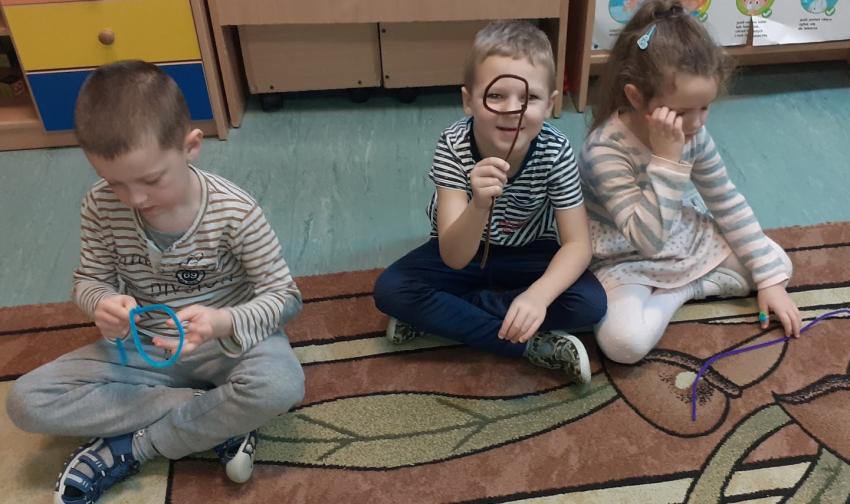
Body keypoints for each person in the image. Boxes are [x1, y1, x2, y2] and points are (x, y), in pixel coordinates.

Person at [6, 60, 305, 503]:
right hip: (144, 347)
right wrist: (100, 303)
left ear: (190, 146)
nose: (136, 199)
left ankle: (135, 447)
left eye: (151, 180)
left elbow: (285, 297)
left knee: (281, 385)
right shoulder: (99, 206)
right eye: (114, 182)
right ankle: (216, 416)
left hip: (229, 345)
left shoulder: (235, 211)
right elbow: (89, 279)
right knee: (26, 402)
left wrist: (222, 322)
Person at [373, 21, 607, 384]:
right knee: (391, 289)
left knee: (590, 302)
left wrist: (537, 297)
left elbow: (577, 245)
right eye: (495, 96)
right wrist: (478, 204)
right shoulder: (453, 145)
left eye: (529, 98)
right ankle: (528, 345)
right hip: (465, 250)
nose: (512, 110)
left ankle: (447, 315)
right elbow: (454, 256)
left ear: (550, 104)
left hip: (530, 250)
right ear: (468, 101)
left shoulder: (555, 150)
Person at [579, 0, 800, 365]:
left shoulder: (694, 133)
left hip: (679, 233)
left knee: (777, 265)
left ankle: (687, 286)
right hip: (622, 254)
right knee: (624, 344)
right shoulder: (604, 151)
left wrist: (770, 281)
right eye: (682, 112)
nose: (696, 124)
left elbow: (725, 200)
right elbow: (646, 241)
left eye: (705, 107)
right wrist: (667, 160)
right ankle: (680, 292)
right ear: (636, 97)